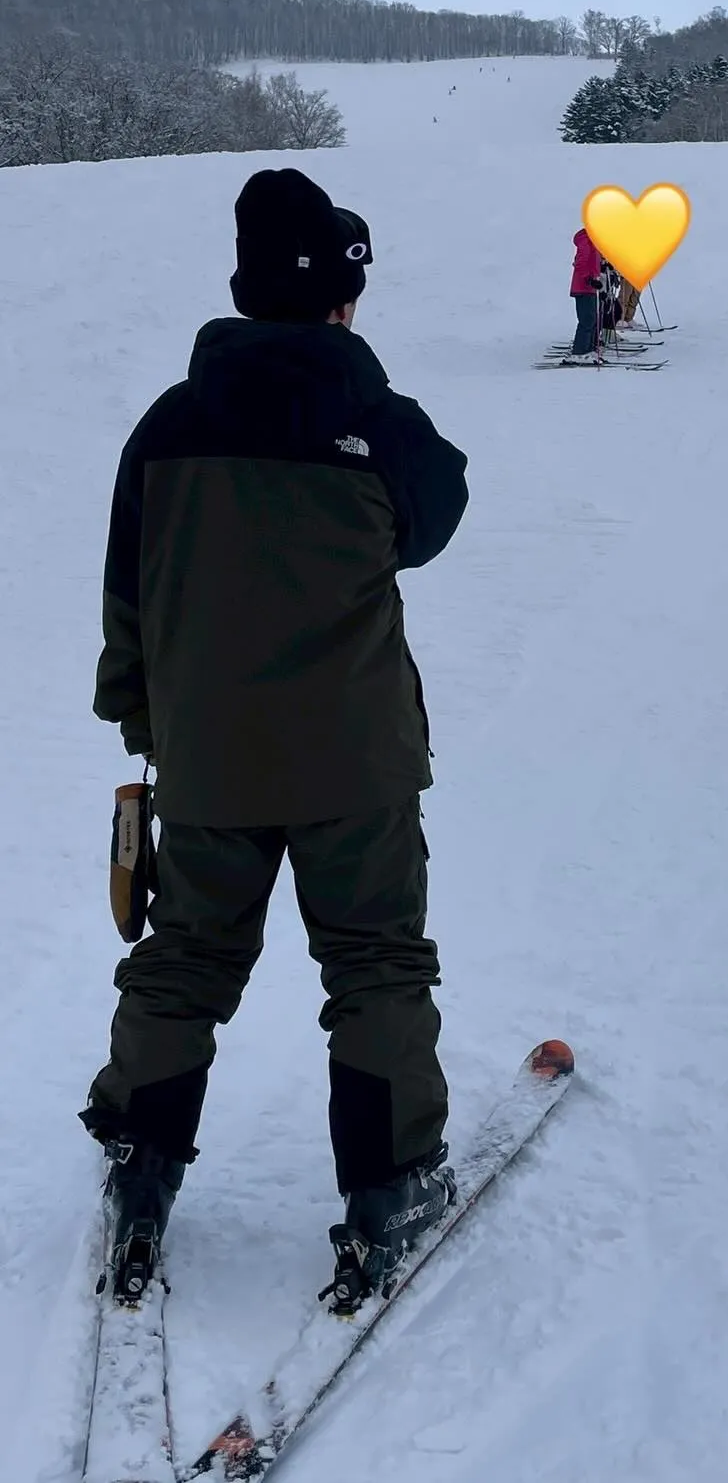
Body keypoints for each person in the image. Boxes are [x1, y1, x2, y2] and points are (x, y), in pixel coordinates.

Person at [82, 167, 470, 1305]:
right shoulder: (379, 424)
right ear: (343, 298)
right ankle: (389, 1184)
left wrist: (147, 722)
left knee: (187, 957)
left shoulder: (169, 424)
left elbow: (127, 591)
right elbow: (433, 521)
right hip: (356, 756)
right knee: (376, 962)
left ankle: (141, 1162)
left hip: (209, 755)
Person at [570, 225, 603, 356]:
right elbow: (581, 262)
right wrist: (589, 279)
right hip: (583, 286)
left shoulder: (594, 239)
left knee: (592, 318)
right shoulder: (586, 239)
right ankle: (580, 351)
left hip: (590, 286)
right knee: (587, 319)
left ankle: (588, 348)